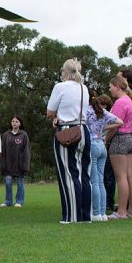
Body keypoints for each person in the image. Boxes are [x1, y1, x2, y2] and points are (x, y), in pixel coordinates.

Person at [47, 58, 92, 223]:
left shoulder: (60, 87)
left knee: (69, 174)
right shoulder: (84, 88)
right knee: (84, 174)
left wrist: (57, 116)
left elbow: (50, 112)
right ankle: (86, 215)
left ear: (64, 72)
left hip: (67, 131)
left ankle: (72, 216)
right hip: (84, 131)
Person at [106, 75, 132, 219]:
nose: (110, 89)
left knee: (120, 177)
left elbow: (114, 125)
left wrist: (105, 139)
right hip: (130, 138)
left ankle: (121, 211)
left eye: (111, 86)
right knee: (130, 176)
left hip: (120, 139)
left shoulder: (120, 103)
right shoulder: (129, 101)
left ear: (117, 86)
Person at [86, 95, 123, 221]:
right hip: (102, 145)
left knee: (94, 182)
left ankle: (96, 213)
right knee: (101, 182)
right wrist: (103, 127)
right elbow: (119, 122)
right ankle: (102, 213)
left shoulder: (87, 111)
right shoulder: (104, 112)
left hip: (92, 145)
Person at [0, 116, 31, 208]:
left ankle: (19, 201)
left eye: (16, 121)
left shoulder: (23, 135)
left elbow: (27, 150)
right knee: (8, 183)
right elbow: (3, 150)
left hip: (19, 165)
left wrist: (25, 164)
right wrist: (2, 163)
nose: (14, 123)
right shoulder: (6, 135)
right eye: (13, 121)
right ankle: (8, 201)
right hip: (8, 164)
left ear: (20, 123)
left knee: (20, 183)